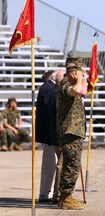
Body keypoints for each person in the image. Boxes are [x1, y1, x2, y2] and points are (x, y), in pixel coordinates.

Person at [56, 57, 87, 210]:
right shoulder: (66, 84)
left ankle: (65, 196)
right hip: (70, 131)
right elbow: (75, 91)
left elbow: (83, 91)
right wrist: (79, 79)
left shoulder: (73, 83)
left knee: (72, 164)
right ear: (74, 73)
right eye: (80, 72)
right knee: (71, 165)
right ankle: (66, 198)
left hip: (74, 131)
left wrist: (83, 79)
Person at [36, 69, 65, 203]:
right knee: (50, 165)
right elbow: (52, 113)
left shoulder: (48, 87)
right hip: (50, 134)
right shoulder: (50, 88)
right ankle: (45, 193)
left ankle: (47, 192)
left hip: (49, 133)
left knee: (51, 165)